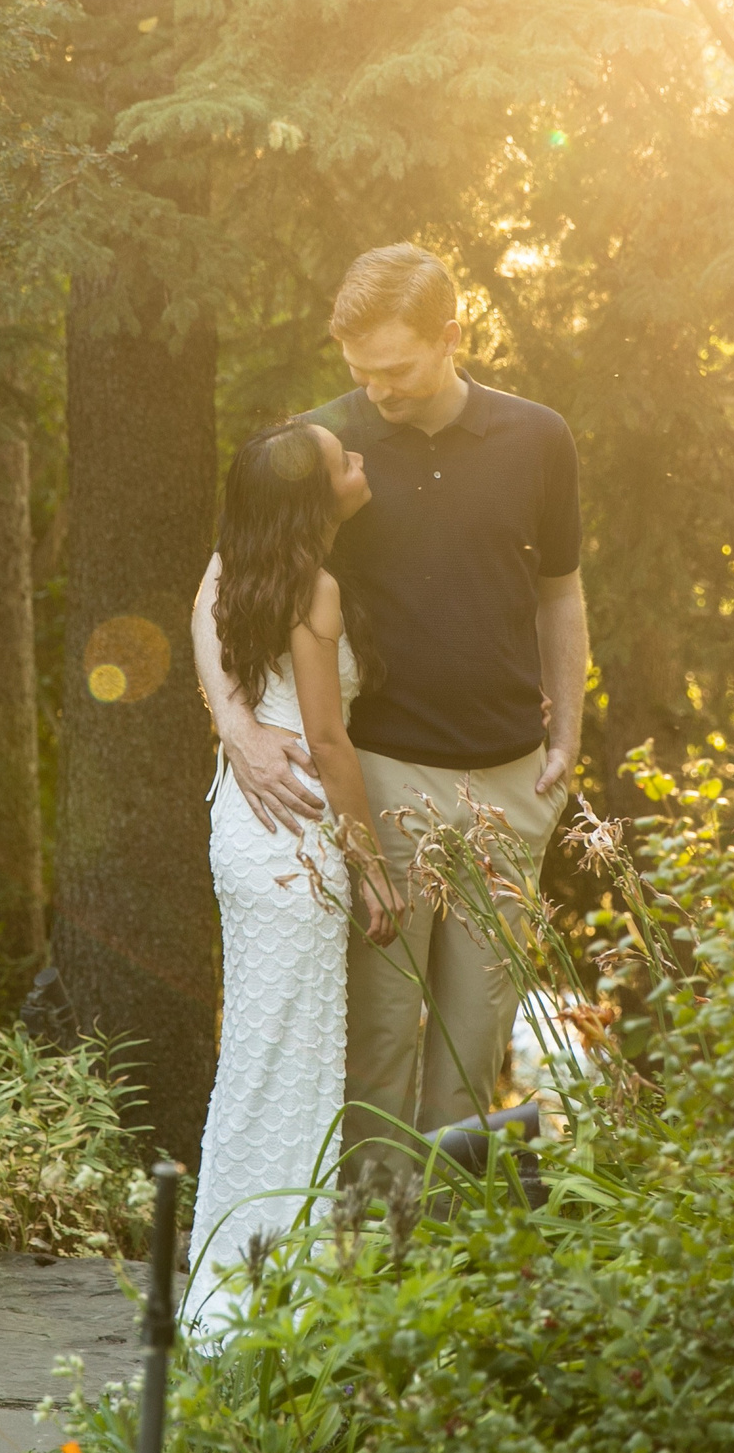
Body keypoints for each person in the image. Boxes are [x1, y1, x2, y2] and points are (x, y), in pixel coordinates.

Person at [190, 242, 587, 1180]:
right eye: (359, 370)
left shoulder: (539, 438)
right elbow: (217, 590)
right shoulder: (326, 444)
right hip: (380, 781)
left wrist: (566, 726)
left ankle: (436, 1278)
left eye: (395, 369)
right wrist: (238, 728)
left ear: (453, 335)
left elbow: (560, 591)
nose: (376, 390)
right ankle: (367, 1265)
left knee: (469, 1052)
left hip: (509, 786)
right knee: (373, 1047)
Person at [186, 419, 398, 1330]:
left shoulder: (232, 564)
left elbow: (201, 622)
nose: (361, 461)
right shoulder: (315, 587)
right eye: (343, 458)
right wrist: (374, 866)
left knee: (264, 1058)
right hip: (297, 834)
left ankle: (240, 1286)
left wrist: (234, 730)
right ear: (315, 498)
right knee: (288, 1061)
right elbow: (326, 739)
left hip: (244, 828)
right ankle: (254, 1306)